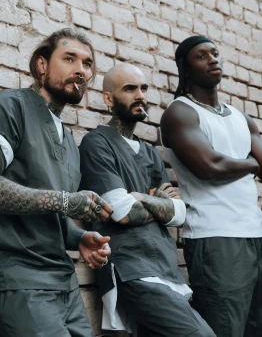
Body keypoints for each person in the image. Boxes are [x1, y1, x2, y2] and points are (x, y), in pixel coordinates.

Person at [159, 35, 262, 337]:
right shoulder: (179, 113)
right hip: (216, 239)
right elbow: (210, 166)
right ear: (184, 67)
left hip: (257, 237)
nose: (212, 60)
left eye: (215, 53)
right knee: (226, 330)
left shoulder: (240, 118)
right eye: (201, 56)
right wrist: (252, 164)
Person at [0, 28, 113, 337]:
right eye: (69, 59)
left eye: (87, 64)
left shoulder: (68, 141)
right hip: (12, 278)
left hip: (61, 281)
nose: (80, 70)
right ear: (41, 65)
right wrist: (66, 202)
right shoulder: (6, 108)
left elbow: (45, 211)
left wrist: (77, 237)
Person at [79, 63, 215, 337]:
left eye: (143, 88)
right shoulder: (97, 143)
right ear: (108, 98)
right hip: (131, 269)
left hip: (166, 271)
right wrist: (153, 202)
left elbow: (178, 213)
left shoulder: (151, 153)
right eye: (129, 89)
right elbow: (123, 212)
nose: (140, 95)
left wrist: (139, 197)